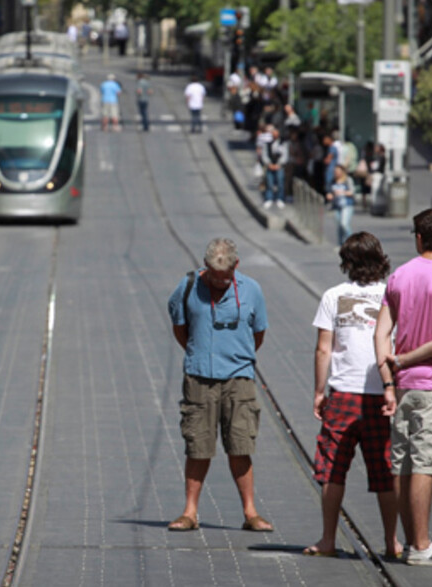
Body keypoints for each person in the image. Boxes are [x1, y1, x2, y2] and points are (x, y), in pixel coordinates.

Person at [374, 208, 432, 567]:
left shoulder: (398, 276)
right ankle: (422, 546)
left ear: (418, 238)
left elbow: (380, 333)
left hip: (402, 388)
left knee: (404, 465)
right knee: (425, 465)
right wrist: (405, 360)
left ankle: (414, 542)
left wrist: (389, 377)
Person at [305, 232, 400, 559]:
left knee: (332, 468)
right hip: (380, 392)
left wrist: (319, 391)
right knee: (385, 471)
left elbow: (323, 349)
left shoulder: (334, 296)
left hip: (343, 392)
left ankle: (328, 540)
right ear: (380, 259)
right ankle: (392, 542)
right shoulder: (393, 295)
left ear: (347, 262)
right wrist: (395, 389)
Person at [166, 238, 271, 533]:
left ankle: (250, 512)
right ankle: (190, 512)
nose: (219, 282)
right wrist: (198, 352)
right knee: (197, 445)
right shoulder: (187, 286)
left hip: (239, 378)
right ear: (206, 267)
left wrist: (238, 357)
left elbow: (258, 334)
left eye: (225, 278)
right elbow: (179, 326)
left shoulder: (252, 289)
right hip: (199, 377)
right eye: (213, 275)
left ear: (236, 267)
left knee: (241, 445)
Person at [326, 165, 356, 246]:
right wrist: (330, 195)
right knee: (339, 226)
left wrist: (342, 192)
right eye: (335, 172)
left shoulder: (348, 180)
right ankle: (341, 244)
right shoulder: (332, 181)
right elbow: (329, 193)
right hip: (336, 206)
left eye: (338, 171)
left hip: (347, 205)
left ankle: (352, 242)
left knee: (344, 224)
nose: (336, 173)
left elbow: (352, 192)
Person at [260, 126, 288, 209]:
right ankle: (269, 198)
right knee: (269, 183)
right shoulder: (267, 144)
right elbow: (264, 155)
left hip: (279, 166)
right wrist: (269, 164)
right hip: (270, 165)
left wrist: (279, 164)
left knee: (280, 182)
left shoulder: (283, 143)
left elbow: (285, 155)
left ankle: (280, 198)